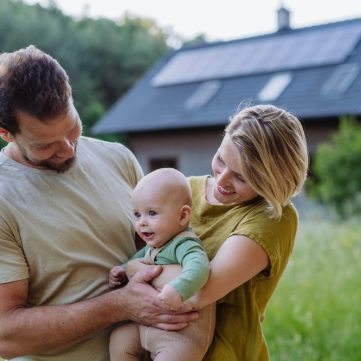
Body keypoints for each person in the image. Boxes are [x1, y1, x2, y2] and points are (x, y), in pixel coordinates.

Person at [0, 45, 197, 361]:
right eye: (45, 145)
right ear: (6, 133)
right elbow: (6, 335)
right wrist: (119, 304)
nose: (67, 149)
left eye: (72, 127)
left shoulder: (118, 158)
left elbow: (160, 251)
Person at [129, 104, 309, 361]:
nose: (222, 180)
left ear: (273, 180)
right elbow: (144, 247)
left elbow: (200, 290)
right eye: (221, 159)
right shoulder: (184, 189)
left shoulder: (273, 216)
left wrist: (134, 271)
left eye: (242, 177)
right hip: (150, 346)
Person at [108, 167, 215, 361]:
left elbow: (200, 268)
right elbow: (137, 261)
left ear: (182, 216)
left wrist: (178, 289)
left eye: (151, 213)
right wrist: (122, 270)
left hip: (180, 336)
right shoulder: (154, 246)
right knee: (119, 337)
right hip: (146, 327)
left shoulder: (184, 243)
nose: (142, 222)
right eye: (137, 215)